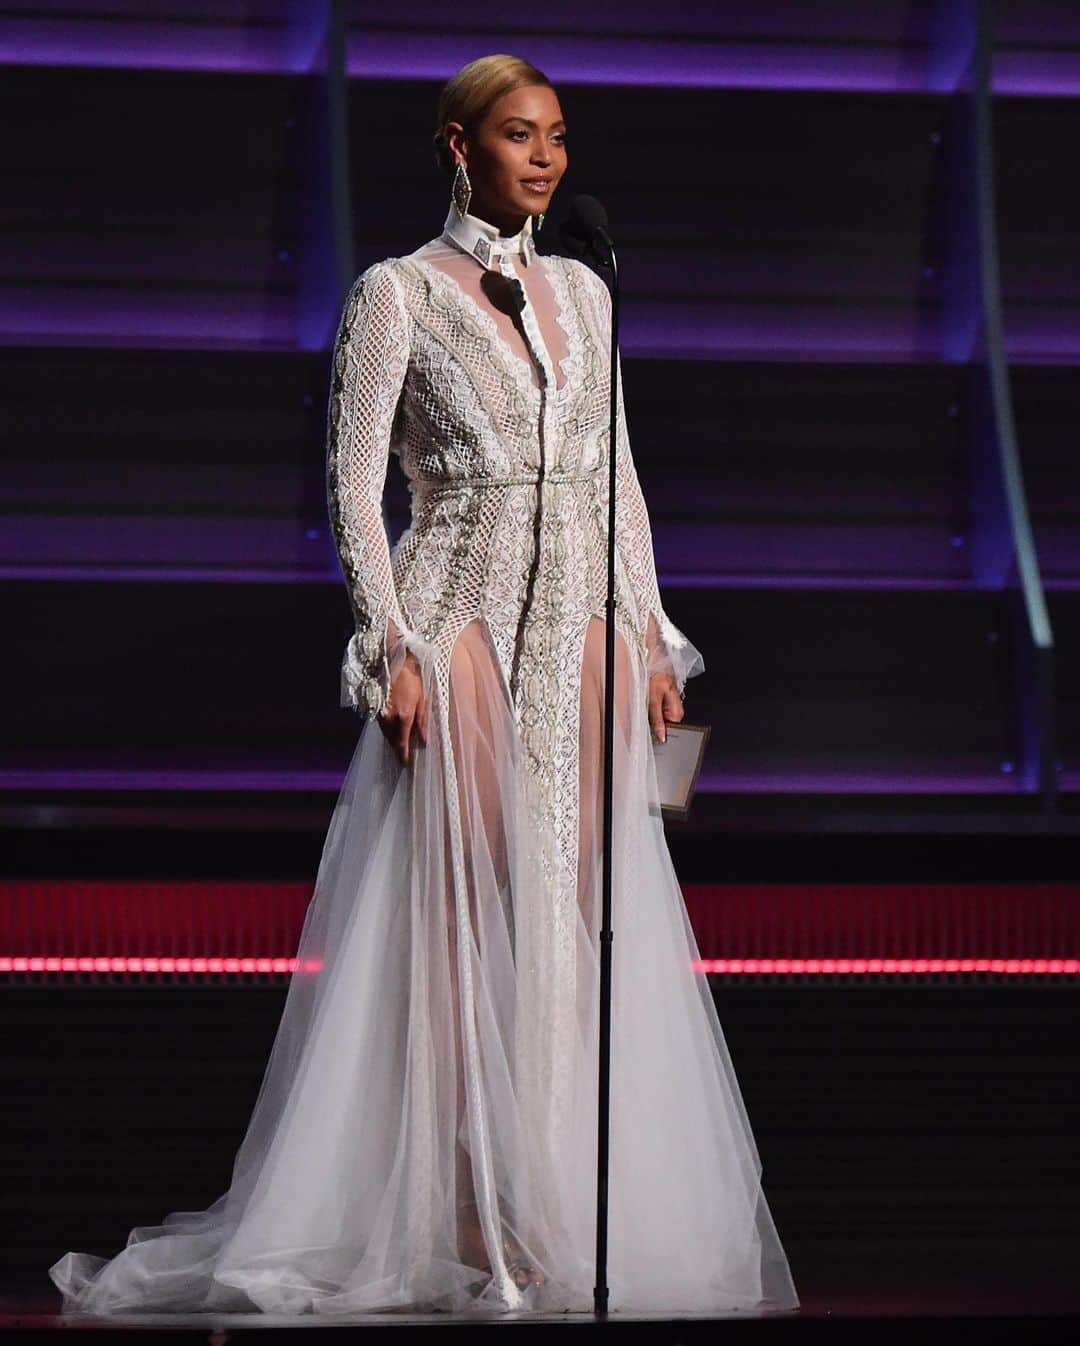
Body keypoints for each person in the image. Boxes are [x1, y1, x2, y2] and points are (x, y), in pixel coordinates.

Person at [48, 53, 799, 1318]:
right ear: (459, 146)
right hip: (458, 617)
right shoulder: (395, 291)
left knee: (575, 911)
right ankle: (466, 1208)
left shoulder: (584, 291)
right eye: (520, 136)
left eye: (558, 135)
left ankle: (559, 1203)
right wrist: (387, 643)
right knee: (471, 918)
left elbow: (618, 477)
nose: (547, 158)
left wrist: (658, 634)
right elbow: (352, 485)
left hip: (581, 630)